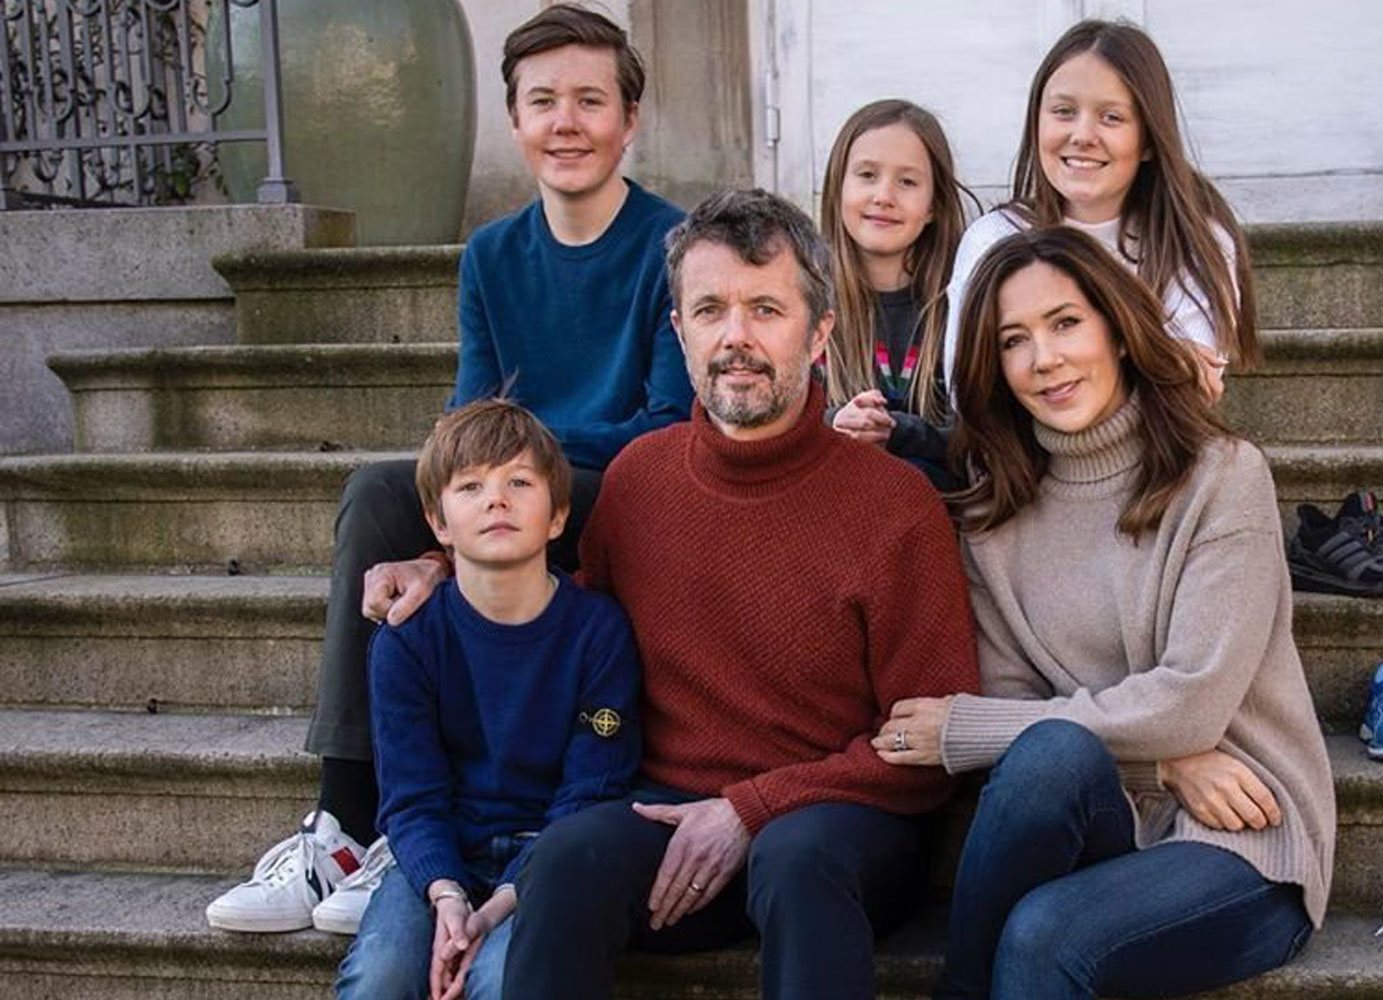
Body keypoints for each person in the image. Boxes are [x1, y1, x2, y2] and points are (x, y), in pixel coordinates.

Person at [205, 3, 691, 936]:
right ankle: (346, 827)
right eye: (542, 101)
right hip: (528, 485)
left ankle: (364, 826)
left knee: (504, 482)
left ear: (629, 120)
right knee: (383, 491)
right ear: (514, 122)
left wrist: (507, 480)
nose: (566, 122)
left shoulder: (668, 246)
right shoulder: (492, 254)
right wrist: (460, 519)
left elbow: (660, 427)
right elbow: (463, 429)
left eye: (591, 101)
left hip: (623, 491)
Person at [489, 189, 981, 999]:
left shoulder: (896, 505)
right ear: (679, 332)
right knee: (569, 857)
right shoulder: (637, 483)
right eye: (710, 309)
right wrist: (448, 572)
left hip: (843, 824)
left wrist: (753, 806)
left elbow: (924, 749)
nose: (736, 337)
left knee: (797, 856)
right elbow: (586, 674)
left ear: (819, 333)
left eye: (766, 309)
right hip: (669, 819)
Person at [875, 227, 1335, 1000]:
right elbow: (1029, 720)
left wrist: (966, 728)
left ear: (1118, 330)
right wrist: (1160, 760)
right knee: (1049, 758)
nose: (1044, 359)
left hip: (1243, 837)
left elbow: (1192, 700)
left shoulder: (1222, 479)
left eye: (1065, 323)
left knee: (1046, 932)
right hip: (1115, 809)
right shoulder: (995, 516)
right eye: (1014, 341)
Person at [332, 399, 642, 1000]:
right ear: (439, 523)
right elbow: (411, 796)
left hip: (549, 858)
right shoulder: (407, 640)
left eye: (519, 482)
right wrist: (446, 895)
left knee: (502, 980)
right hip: (440, 849)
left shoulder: (599, 632)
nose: (496, 499)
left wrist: (498, 906)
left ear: (557, 516)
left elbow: (593, 789)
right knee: (380, 977)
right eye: (470, 486)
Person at [942, 19, 1256, 402]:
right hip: (1019, 459)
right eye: (1063, 111)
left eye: (1111, 117)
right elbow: (969, 394)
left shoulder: (1195, 240)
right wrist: (1152, 357)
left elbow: (1189, 393)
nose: (1083, 135)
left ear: (1149, 140)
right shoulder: (994, 238)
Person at [819, 99, 972, 490]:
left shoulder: (960, 304)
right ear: (837, 189)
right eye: (867, 175)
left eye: (907, 182)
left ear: (934, 205)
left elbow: (982, 440)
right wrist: (835, 421)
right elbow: (777, 422)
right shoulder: (806, 302)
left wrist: (899, 431)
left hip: (941, 516)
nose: (884, 196)